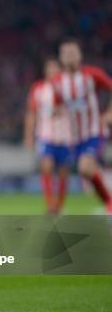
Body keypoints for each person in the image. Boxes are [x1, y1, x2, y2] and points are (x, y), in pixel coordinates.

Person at [51, 39, 112, 213]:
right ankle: (109, 203)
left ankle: (109, 203)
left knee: (85, 167)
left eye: (73, 52)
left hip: (94, 131)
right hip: (76, 137)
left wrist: (109, 113)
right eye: (66, 53)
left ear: (80, 55)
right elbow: (58, 104)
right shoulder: (57, 82)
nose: (70, 55)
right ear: (61, 58)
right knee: (86, 172)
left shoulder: (92, 75)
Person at [23, 59, 72, 214]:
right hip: (45, 136)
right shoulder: (38, 88)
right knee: (46, 167)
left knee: (64, 172)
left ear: (60, 70)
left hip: (65, 137)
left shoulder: (68, 88)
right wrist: (29, 135)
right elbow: (31, 113)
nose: (51, 71)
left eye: (54, 68)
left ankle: (59, 205)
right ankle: (51, 206)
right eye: (49, 68)